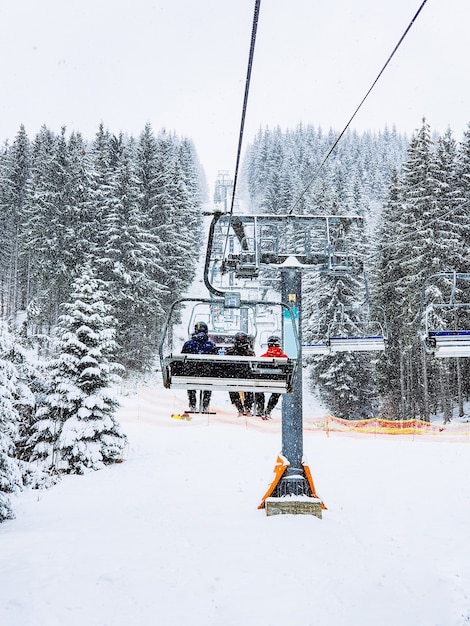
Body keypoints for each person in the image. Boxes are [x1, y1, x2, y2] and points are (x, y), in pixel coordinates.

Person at [181, 321, 218, 413]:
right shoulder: (211, 345)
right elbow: (216, 360)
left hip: (191, 373)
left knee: (191, 384)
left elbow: (182, 358)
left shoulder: (188, 344)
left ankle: (192, 404)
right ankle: (205, 405)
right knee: (208, 384)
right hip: (207, 374)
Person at [225, 331, 261, 416]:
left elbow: (225, 364)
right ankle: (247, 408)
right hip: (246, 375)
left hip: (234, 376)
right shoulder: (249, 352)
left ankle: (240, 407)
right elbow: (255, 364)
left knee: (232, 387)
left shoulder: (230, 351)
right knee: (249, 388)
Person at [255, 335, 288, 419]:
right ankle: (269, 409)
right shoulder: (285, 358)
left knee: (258, 389)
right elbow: (288, 371)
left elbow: (257, 370)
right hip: (278, 383)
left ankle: (260, 407)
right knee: (276, 393)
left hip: (263, 382)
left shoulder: (263, 357)